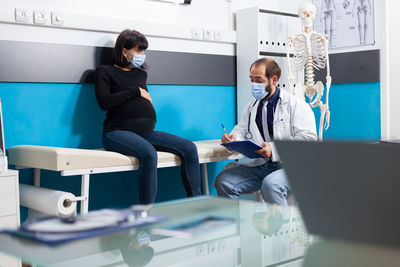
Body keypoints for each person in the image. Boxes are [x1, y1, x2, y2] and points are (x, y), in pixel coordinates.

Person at [95, 29, 201, 204]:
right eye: (139, 50)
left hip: (146, 133)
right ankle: (146, 214)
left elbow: (143, 100)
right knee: (149, 154)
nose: (142, 55)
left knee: (189, 148)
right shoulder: (104, 72)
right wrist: (135, 91)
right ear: (124, 51)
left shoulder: (140, 74)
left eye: (144, 51)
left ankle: (196, 202)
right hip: (116, 132)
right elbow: (104, 102)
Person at [215, 58, 317, 205]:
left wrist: (274, 149)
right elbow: (242, 129)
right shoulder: (251, 107)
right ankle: (235, 226)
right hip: (262, 165)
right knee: (225, 181)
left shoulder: (296, 105)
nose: (254, 84)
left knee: (271, 185)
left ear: (273, 79)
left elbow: (308, 140)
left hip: (292, 166)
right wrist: (233, 138)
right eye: (251, 79)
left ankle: (279, 228)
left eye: (258, 80)